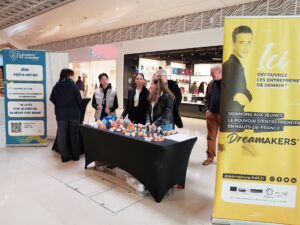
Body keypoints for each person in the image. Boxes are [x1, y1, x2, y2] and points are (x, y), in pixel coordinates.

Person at [220, 25, 253, 132]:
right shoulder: (231, 66)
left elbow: (245, 94)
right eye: (241, 42)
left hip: (234, 119)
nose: (246, 47)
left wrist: (246, 95)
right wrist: (245, 95)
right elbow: (242, 95)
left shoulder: (238, 65)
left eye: (249, 43)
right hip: (232, 120)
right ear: (233, 43)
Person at [50, 68, 82, 162]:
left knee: (61, 136)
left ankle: (65, 156)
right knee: (74, 135)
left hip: (61, 114)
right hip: (74, 114)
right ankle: (75, 156)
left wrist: (60, 105)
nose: (73, 77)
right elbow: (79, 100)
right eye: (72, 75)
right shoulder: (74, 86)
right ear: (68, 75)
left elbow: (52, 99)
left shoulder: (56, 86)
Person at [203, 65, 222, 166]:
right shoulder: (211, 84)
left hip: (225, 115)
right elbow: (206, 98)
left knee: (226, 137)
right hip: (212, 114)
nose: (211, 75)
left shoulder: (229, 83)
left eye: (212, 73)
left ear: (219, 72)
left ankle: (225, 158)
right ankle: (210, 157)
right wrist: (207, 110)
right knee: (211, 137)